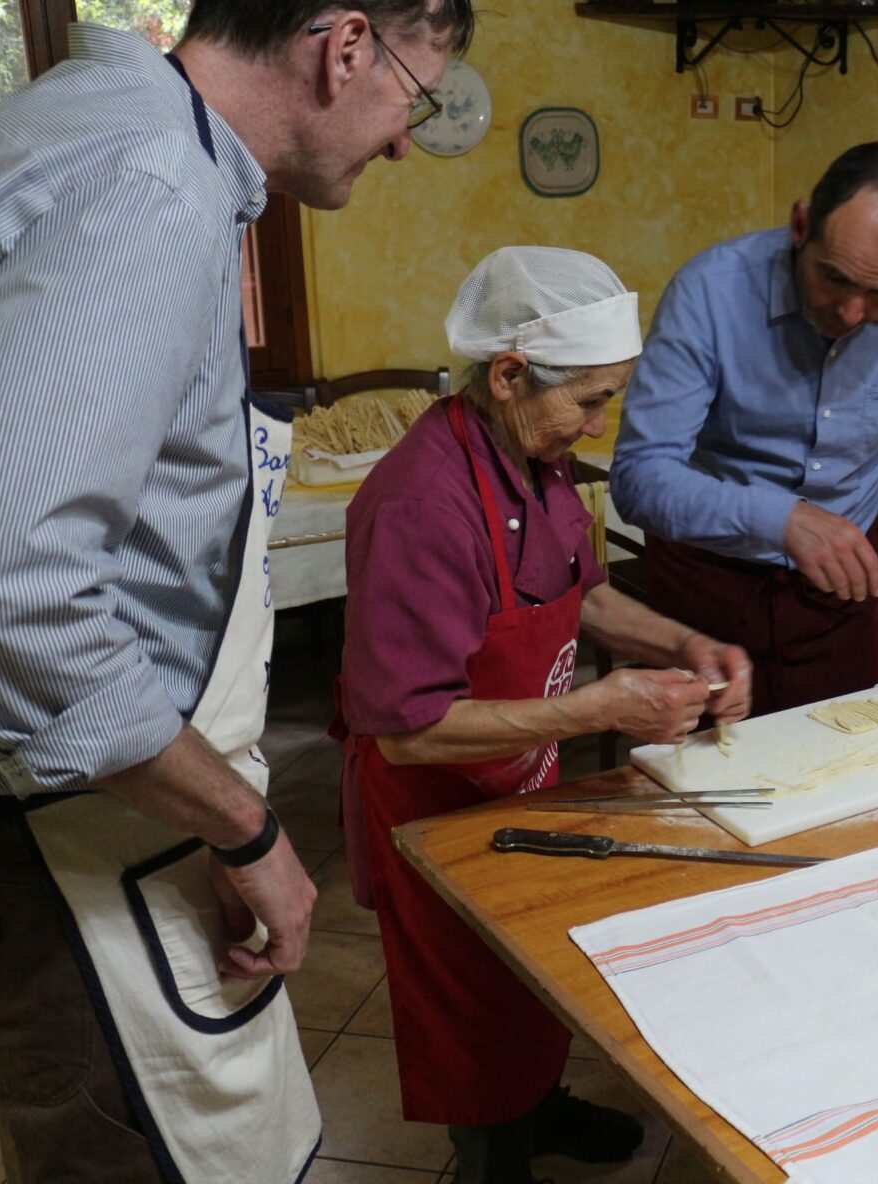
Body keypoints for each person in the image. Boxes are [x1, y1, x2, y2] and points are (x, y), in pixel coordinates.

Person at [0, 3, 472, 1182]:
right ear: (343, 45)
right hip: (54, 824)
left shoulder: (99, 126)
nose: (408, 137)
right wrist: (244, 824)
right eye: (420, 88)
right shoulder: (156, 182)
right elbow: (16, 584)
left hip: (98, 804)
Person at [336, 246, 752, 1183]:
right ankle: (492, 1159)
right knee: (468, 1013)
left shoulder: (535, 452)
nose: (600, 423)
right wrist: (594, 706)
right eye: (592, 399)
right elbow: (407, 726)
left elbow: (583, 595)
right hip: (430, 811)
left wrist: (681, 644)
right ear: (510, 373)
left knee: (529, 979)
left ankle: (540, 1108)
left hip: (515, 786)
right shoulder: (420, 504)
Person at [609, 141, 878, 715]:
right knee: (701, 782)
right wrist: (780, 518)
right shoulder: (709, 292)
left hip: (841, 593)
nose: (852, 313)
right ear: (801, 224)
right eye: (835, 279)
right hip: (708, 582)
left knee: (841, 767)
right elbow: (639, 478)